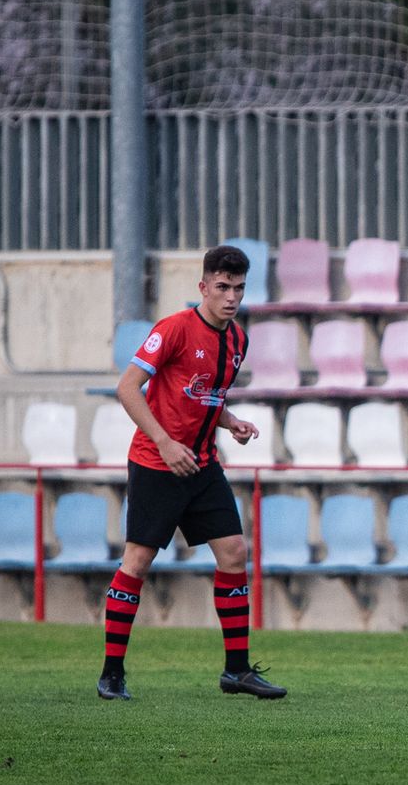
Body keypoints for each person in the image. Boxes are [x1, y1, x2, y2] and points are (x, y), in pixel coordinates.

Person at [95, 244, 285, 701]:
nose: (231, 297)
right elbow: (127, 388)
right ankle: (112, 674)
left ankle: (236, 671)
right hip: (156, 464)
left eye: (238, 288)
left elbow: (204, 397)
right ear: (203, 287)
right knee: (137, 564)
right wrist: (163, 440)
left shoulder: (237, 340)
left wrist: (230, 420)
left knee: (235, 553)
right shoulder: (174, 330)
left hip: (202, 465)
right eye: (222, 287)